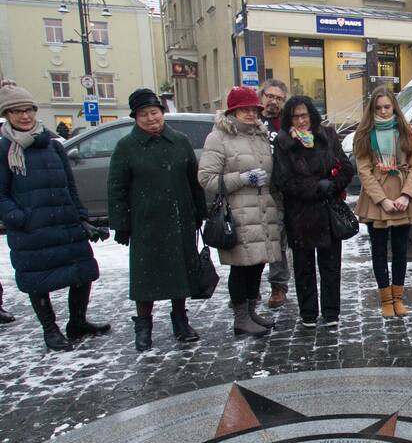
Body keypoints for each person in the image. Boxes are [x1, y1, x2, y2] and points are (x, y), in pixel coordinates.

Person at [0, 84, 109, 351]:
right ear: (7, 114)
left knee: (83, 272)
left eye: (28, 110)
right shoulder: (4, 149)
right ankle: (50, 329)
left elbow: (70, 186)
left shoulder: (52, 145)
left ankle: (77, 322)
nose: (24, 116)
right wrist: (19, 218)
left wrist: (81, 217)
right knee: (38, 280)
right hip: (31, 229)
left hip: (64, 222)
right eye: (17, 111)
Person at [108, 88, 206, 352]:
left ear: (162, 113)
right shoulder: (127, 147)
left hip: (179, 220)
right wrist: (121, 224)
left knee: (179, 275)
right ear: (135, 118)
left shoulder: (180, 141)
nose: (151, 118)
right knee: (145, 279)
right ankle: (143, 327)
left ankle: (181, 323)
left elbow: (194, 181)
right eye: (144, 114)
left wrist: (200, 212)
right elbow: (116, 187)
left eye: (154, 112)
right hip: (146, 224)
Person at [198, 86, 282, 338]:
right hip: (237, 212)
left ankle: (251, 311)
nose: (250, 114)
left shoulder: (260, 135)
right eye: (243, 109)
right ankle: (240, 318)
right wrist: (242, 178)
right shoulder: (219, 137)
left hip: (263, 210)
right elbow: (206, 178)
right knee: (240, 266)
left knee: (257, 263)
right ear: (232, 111)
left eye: (253, 109)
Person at [272, 95, 355, 328]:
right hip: (300, 215)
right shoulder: (284, 142)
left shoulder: (327, 136)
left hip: (328, 212)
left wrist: (334, 184)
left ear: (312, 115)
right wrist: (315, 187)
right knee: (303, 268)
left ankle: (331, 312)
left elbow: (347, 168)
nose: (300, 121)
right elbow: (283, 180)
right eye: (295, 116)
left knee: (330, 267)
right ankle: (308, 313)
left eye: (304, 115)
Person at [353, 86, 412, 317]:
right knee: (378, 251)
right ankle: (385, 299)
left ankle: (398, 298)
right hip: (377, 199)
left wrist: (406, 195)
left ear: (394, 106)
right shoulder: (364, 133)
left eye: (387, 107)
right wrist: (383, 200)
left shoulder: (407, 131)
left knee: (400, 250)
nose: (384, 112)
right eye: (378, 108)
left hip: (404, 195)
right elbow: (364, 171)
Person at [259, 79, 291, 309]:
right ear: (261, 97)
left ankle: (278, 286)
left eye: (279, 98)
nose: (274, 101)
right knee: (252, 241)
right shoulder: (251, 120)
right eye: (270, 96)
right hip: (253, 190)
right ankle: (246, 290)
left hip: (279, 190)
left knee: (278, 240)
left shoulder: (287, 124)